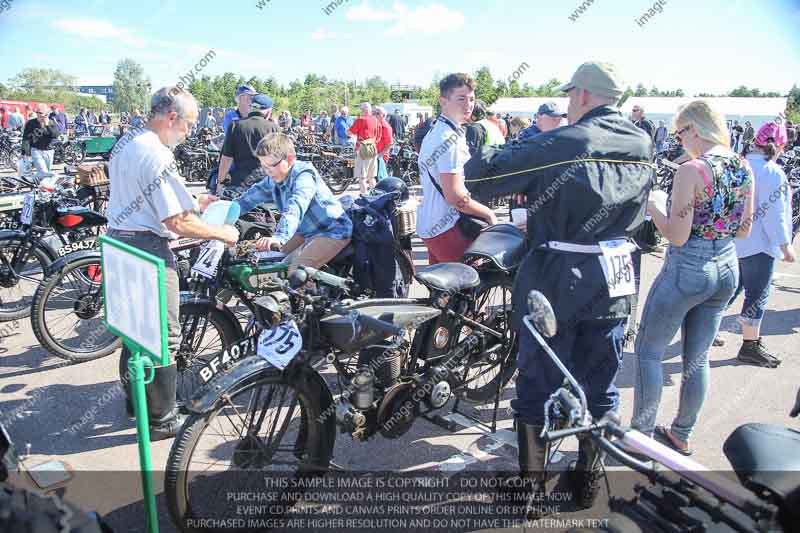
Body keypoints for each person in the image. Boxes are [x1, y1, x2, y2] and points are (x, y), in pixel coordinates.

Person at [464, 61, 652, 511]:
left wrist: (488, 135)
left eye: (571, 95)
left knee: (539, 380)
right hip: (615, 275)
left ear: (584, 96)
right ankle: (586, 483)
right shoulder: (641, 140)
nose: (569, 102)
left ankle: (531, 492)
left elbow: (481, 176)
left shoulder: (566, 141)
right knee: (600, 379)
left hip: (558, 277)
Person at [108, 87, 238, 441]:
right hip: (148, 247)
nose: (190, 132)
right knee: (165, 334)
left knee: (136, 332)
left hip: (121, 240)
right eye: (189, 124)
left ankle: (136, 403)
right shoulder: (157, 155)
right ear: (171, 118)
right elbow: (177, 223)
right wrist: (221, 232)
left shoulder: (130, 143)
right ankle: (163, 418)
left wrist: (194, 198)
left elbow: (145, 195)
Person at [630, 100, 754, 456]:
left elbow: (678, 235)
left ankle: (640, 436)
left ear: (694, 129)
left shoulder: (692, 170)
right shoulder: (742, 166)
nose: (678, 139)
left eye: (679, 132)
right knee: (696, 358)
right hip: (727, 264)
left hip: (689, 266)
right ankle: (682, 432)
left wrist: (654, 208)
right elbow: (744, 230)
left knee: (649, 353)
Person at [721, 122, 796, 366]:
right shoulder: (773, 172)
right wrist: (785, 245)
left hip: (732, 242)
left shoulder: (737, 164)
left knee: (730, 290)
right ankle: (749, 346)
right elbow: (776, 214)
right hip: (759, 244)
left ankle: (705, 331)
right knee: (757, 295)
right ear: (780, 146)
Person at [229, 132, 352, 272]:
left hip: (332, 230)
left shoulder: (304, 176)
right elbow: (246, 200)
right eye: (263, 166)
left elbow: (296, 206)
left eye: (271, 165)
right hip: (305, 230)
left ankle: (310, 291)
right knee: (268, 263)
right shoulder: (273, 179)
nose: (267, 171)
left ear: (290, 159)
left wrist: (279, 237)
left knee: (294, 272)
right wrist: (222, 214)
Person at [417, 73, 497, 264]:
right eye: (461, 98)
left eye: (471, 99)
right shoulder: (448, 138)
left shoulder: (440, 130)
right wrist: (488, 214)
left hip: (433, 224)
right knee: (470, 288)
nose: (468, 104)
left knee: (444, 293)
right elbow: (454, 196)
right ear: (443, 101)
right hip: (448, 227)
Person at [216, 93, 280, 193]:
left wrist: (220, 182)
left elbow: (226, 159)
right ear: (268, 112)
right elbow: (279, 158)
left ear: (251, 108)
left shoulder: (235, 126)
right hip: (266, 185)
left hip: (240, 184)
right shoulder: (273, 128)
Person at [348, 102, 382, 193]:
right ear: (370, 110)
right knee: (371, 177)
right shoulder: (376, 120)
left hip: (362, 149)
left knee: (362, 177)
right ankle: (375, 196)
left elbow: (350, 133)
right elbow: (379, 137)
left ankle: (364, 197)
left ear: (362, 110)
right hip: (373, 149)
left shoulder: (360, 120)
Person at [23, 104, 61, 174]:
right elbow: (26, 138)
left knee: (46, 172)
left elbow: (55, 135)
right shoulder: (31, 123)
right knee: (43, 171)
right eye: (39, 112)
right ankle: (43, 183)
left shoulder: (51, 122)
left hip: (49, 150)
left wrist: (47, 125)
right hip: (36, 150)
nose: (41, 115)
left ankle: (40, 184)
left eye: (43, 113)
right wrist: (25, 152)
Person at [374, 106, 393, 180]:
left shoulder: (386, 127)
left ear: (383, 116)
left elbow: (389, 143)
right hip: (374, 155)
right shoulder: (375, 125)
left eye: (378, 113)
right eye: (374, 113)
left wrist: (380, 155)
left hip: (381, 158)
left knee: (380, 179)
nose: (375, 115)